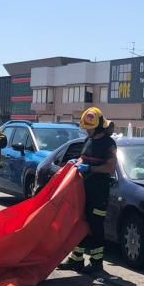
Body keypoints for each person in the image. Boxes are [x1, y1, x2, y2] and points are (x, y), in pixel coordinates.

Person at [58, 107, 118, 275]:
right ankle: (76, 260)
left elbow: (110, 167)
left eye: (89, 128)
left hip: (99, 192)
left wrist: (90, 168)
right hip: (84, 190)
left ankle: (96, 263)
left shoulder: (108, 143)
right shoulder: (88, 140)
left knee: (96, 226)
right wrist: (76, 162)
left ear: (98, 127)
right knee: (79, 223)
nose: (87, 130)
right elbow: (83, 157)